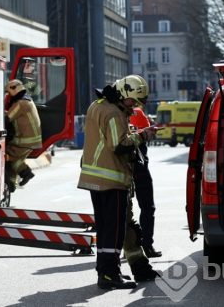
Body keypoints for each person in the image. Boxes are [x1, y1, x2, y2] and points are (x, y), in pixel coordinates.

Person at [78, 75, 157, 290]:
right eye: (133, 102)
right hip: (112, 179)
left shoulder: (98, 105)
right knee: (115, 230)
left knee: (105, 228)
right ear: (123, 94)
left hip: (95, 179)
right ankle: (110, 275)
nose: (134, 107)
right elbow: (119, 145)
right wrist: (143, 135)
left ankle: (105, 272)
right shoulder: (114, 113)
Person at [129, 105, 162, 258]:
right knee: (148, 207)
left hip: (123, 170)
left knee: (124, 212)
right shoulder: (138, 113)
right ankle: (147, 245)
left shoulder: (118, 113)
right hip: (139, 169)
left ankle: (127, 246)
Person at [4, 79, 42, 192]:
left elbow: (7, 118)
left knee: (6, 156)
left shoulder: (20, 104)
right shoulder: (27, 100)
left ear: (13, 90)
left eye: (8, 93)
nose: (8, 96)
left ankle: (21, 176)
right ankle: (13, 182)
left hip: (24, 141)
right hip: (31, 140)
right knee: (15, 161)